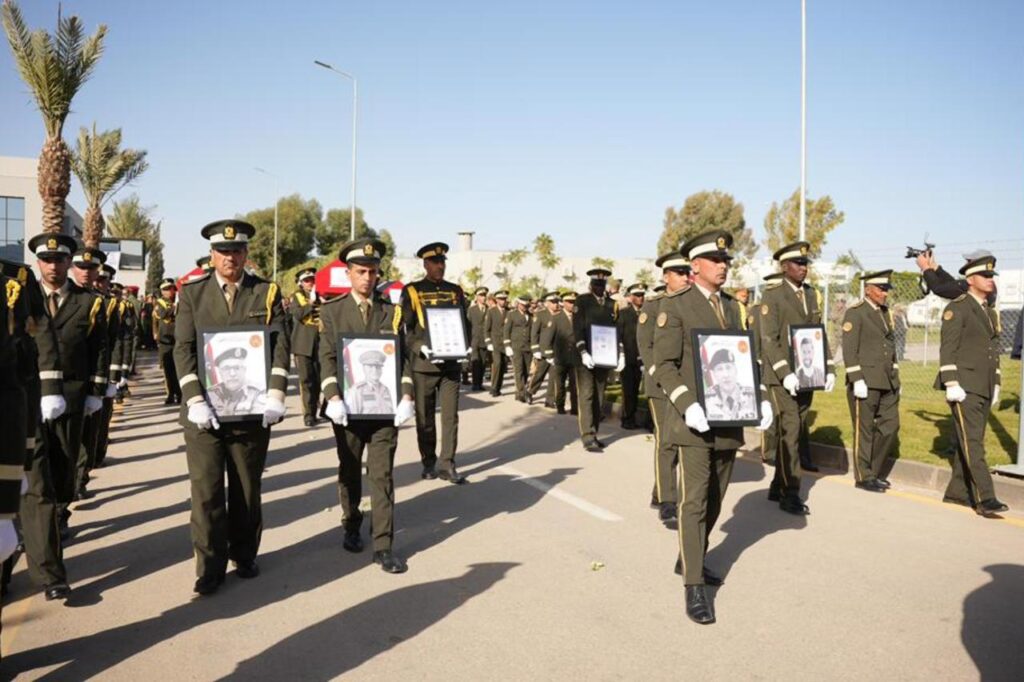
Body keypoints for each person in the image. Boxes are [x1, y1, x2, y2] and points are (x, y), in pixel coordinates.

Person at [652, 230, 773, 625]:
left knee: (718, 499)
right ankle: (693, 587)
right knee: (695, 501)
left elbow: (741, 357)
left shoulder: (731, 307)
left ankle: (691, 554)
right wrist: (687, 405)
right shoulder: (677, 305)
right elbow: (665, 365)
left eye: (727, 262)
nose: (724, 267)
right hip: (693, 422)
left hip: (728, 418)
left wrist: (759, 396)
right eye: (716, 261)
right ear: (696, 266)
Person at [174, 219, 289, 595]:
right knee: (206, 492)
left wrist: (276, 393)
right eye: (223, 252)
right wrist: (193, 399)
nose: (230, 258)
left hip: (250, 412)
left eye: (237, 251)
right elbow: (184, 348)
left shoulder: (265, 293)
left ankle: (244, 553)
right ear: (212, 255)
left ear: (246, 254)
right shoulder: (192, 294)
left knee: (245, 489)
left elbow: (280, 346)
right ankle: (209, 566)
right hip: (204, 413)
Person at [320, 238, 415, 573]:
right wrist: (332, 395)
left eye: (373, 272)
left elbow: (403, 358)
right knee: (349, 470)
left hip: (384, 408)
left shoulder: (393, 311)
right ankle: (351, 523)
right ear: (349, 274)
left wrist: (407, 395)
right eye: (361, 271)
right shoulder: (331, 312)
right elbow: (327, 357)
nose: (367, 277)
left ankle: (384, 544)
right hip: (347, 406)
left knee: (383, 473)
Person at [24, 234, 107, 601]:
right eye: (47, 259)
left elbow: (99, 348)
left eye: (60, 259)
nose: (54, 266)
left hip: (71, 400)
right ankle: (49, 568)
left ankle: (46, 533)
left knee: (61, 479)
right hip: (27, 403)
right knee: (37, 484)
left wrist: (96, 391)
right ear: (38, 263)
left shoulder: (88, 303)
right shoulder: (21, 299)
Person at [759, 241, 836, 515]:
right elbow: (769, 339)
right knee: (790, 430)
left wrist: (828, 366)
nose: (803, 268)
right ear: (784, 267)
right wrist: (784, 372)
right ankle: (789, 492)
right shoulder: (773, 295)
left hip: (807, 373)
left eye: (805, 264)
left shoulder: (811, 294)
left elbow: (817, 331)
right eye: (798, 264)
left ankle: (777, 484)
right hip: (782, 377)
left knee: (796, 427)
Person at [935, 255, 1008, 517]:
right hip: (964, 385)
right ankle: (985, 497)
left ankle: (956, 493)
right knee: (974, 441)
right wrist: (951, 382)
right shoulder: (959, 307)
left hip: (984, 384)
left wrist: (996, 381)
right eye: (985, 276)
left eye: (991, 276)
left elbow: (993, 349)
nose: (990, 281)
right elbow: (948, 348)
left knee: (968, 439)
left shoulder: (988, 310)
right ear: (970, 280)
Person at [400, 242, 471, 484]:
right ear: (425, 264)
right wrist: (421, 347)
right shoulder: (412, 291)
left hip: (451, 364)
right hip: (424, 365)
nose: (440, 266)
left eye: (442, 262)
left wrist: (467, 344)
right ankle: (428, 461)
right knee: (425, 417)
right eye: (435, 262)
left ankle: (447, 463)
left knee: (450, 417)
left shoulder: (455, 290)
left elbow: (464, 322)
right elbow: (406, 331)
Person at [639, 253, 690, 524]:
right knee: (666, 440)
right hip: (661, 385)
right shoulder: (654, 305)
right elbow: (645, 345)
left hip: (689, 385)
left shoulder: (694, 304)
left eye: (687, 272)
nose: (685, 277)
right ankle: (667, 500)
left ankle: (661, 489)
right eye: (679, 272)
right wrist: (658, 373)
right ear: (666, 277)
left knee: (683, 440)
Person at [841, 270, 900, 493]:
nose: (885, 293)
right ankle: (864, 475)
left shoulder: (885, 313)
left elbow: (890, 345)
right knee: (864, 430)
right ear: (868, 289)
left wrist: (895, 372)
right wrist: (856, 378)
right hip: (865, 380)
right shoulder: (856, 313)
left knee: (890, 426)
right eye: (880, 289)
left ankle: (873, 470)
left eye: (886, 289)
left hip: (887, 380)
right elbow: (849, 349)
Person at [573, 268, 625, 452]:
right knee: (587, 395)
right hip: (585, 357)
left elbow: (616, 331)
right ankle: (587, 436)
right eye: (596, 284)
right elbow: (578, 328)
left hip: (605, 356)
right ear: (590, 284)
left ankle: (594, 432)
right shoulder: (582, 302)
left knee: (599, 396)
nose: (599, 287)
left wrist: (620, 353)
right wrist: (582, 351)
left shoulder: (612, 304)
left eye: (602, 284)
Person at [290, 268, 323, 426]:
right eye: (307, 280)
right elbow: (297, 314)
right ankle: (308, 415)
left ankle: (318, 410)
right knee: (306, 380)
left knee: (319, 379)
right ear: (301, 283)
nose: (311, 283)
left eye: (312, 280)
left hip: (320, 342)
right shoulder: (297, 297)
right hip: (303, 343)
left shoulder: (322, 295)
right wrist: (311, 302)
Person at [541, 291, 578, 415]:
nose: (572, 304)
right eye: (569, 302)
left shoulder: (579, 317)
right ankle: (560, 406)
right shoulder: (556, 318)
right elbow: (548, 337)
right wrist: (549, 355)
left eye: (574, 302)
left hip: (574, 357)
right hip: (560, 356)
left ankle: (575, 408)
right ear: (564, 303)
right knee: (560, 384)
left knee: (574, 384)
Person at [206, 347, 268, 417]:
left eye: (237, 368)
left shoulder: (259, 392)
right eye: (226, 368)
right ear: (220, 372)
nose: (232, 374)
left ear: (244, 370)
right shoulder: (210, 393)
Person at [617, 283, 646, 429]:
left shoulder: (646, 313)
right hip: (628, 358)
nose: (641, 298)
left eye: (642, 295)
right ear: (631, 297)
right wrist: (620, 355)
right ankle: (627, 418)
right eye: (638, 295)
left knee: (637, 389)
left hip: (643, 358)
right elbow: (618, 336)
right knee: (628, 390)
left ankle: (632, 417)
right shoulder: (624, 314)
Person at [703, 349, 758, 421]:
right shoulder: (706, 399)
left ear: (735, 370)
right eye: (720, 369)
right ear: (714, 374)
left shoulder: (752, 395)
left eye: (728, 368)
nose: (726, 375)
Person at [526, 291, 559, 406]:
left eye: (557, 302)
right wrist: (535, 349)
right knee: (539, 374)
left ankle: (549, 399)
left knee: (554, 377)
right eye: (553, 302)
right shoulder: (540, 314)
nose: (556, 304)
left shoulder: (560, 314)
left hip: (556, 351)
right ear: (547, 303)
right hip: (543, 351)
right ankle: (530, 391)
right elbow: (535, 333)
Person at [153, 278, 181, 405]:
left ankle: (180, 394)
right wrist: (175, 307)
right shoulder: (160, 303)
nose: (168, 292)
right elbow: (163, 314)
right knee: (168, 370)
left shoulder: (179, 302)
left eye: (170, 288)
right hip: (165, 340)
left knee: (179, 369)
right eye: (165, 289)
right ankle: (170, 394)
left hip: (178, 338)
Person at [344, 350, 394, 415]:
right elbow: (354, 416)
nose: (375, 370)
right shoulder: (357, 390)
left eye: (378, 367)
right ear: (364, 369)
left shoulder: (385, 389)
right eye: (370, 366)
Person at [503, 294, 533, 402]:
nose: (524, 307)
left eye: (526, 305)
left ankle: (519, 392)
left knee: (526, 370)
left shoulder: (530, 315)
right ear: (518, 304)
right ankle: (522, 393)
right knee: (518, 370)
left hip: (528, 347)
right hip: (516, 346)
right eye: (522, 305)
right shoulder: (512, 315)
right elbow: (506, 330)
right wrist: (507, 345)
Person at [485, 291, 510, 397]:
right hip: (495, 342)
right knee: (497, 364)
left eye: (504, 299)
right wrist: (488, 341)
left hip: (506, 343)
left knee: (503, 366)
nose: (503, 301)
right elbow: (487, 328)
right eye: (500, 299)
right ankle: (494, 388)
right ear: (497, 300)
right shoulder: (491, 311)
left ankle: (498, 388)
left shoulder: (509, 312)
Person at [466, 286, 489, 391]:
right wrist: (468, 342)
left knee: (483, 363)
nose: (483, 297)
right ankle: (475, 384)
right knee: (476, 362)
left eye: (484, 295)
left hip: (485, 340)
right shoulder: (471, 310)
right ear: (477, 297)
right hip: (474, 339)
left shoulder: (489, 310)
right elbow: (468, 325)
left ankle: (480, 383)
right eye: (481, 295)